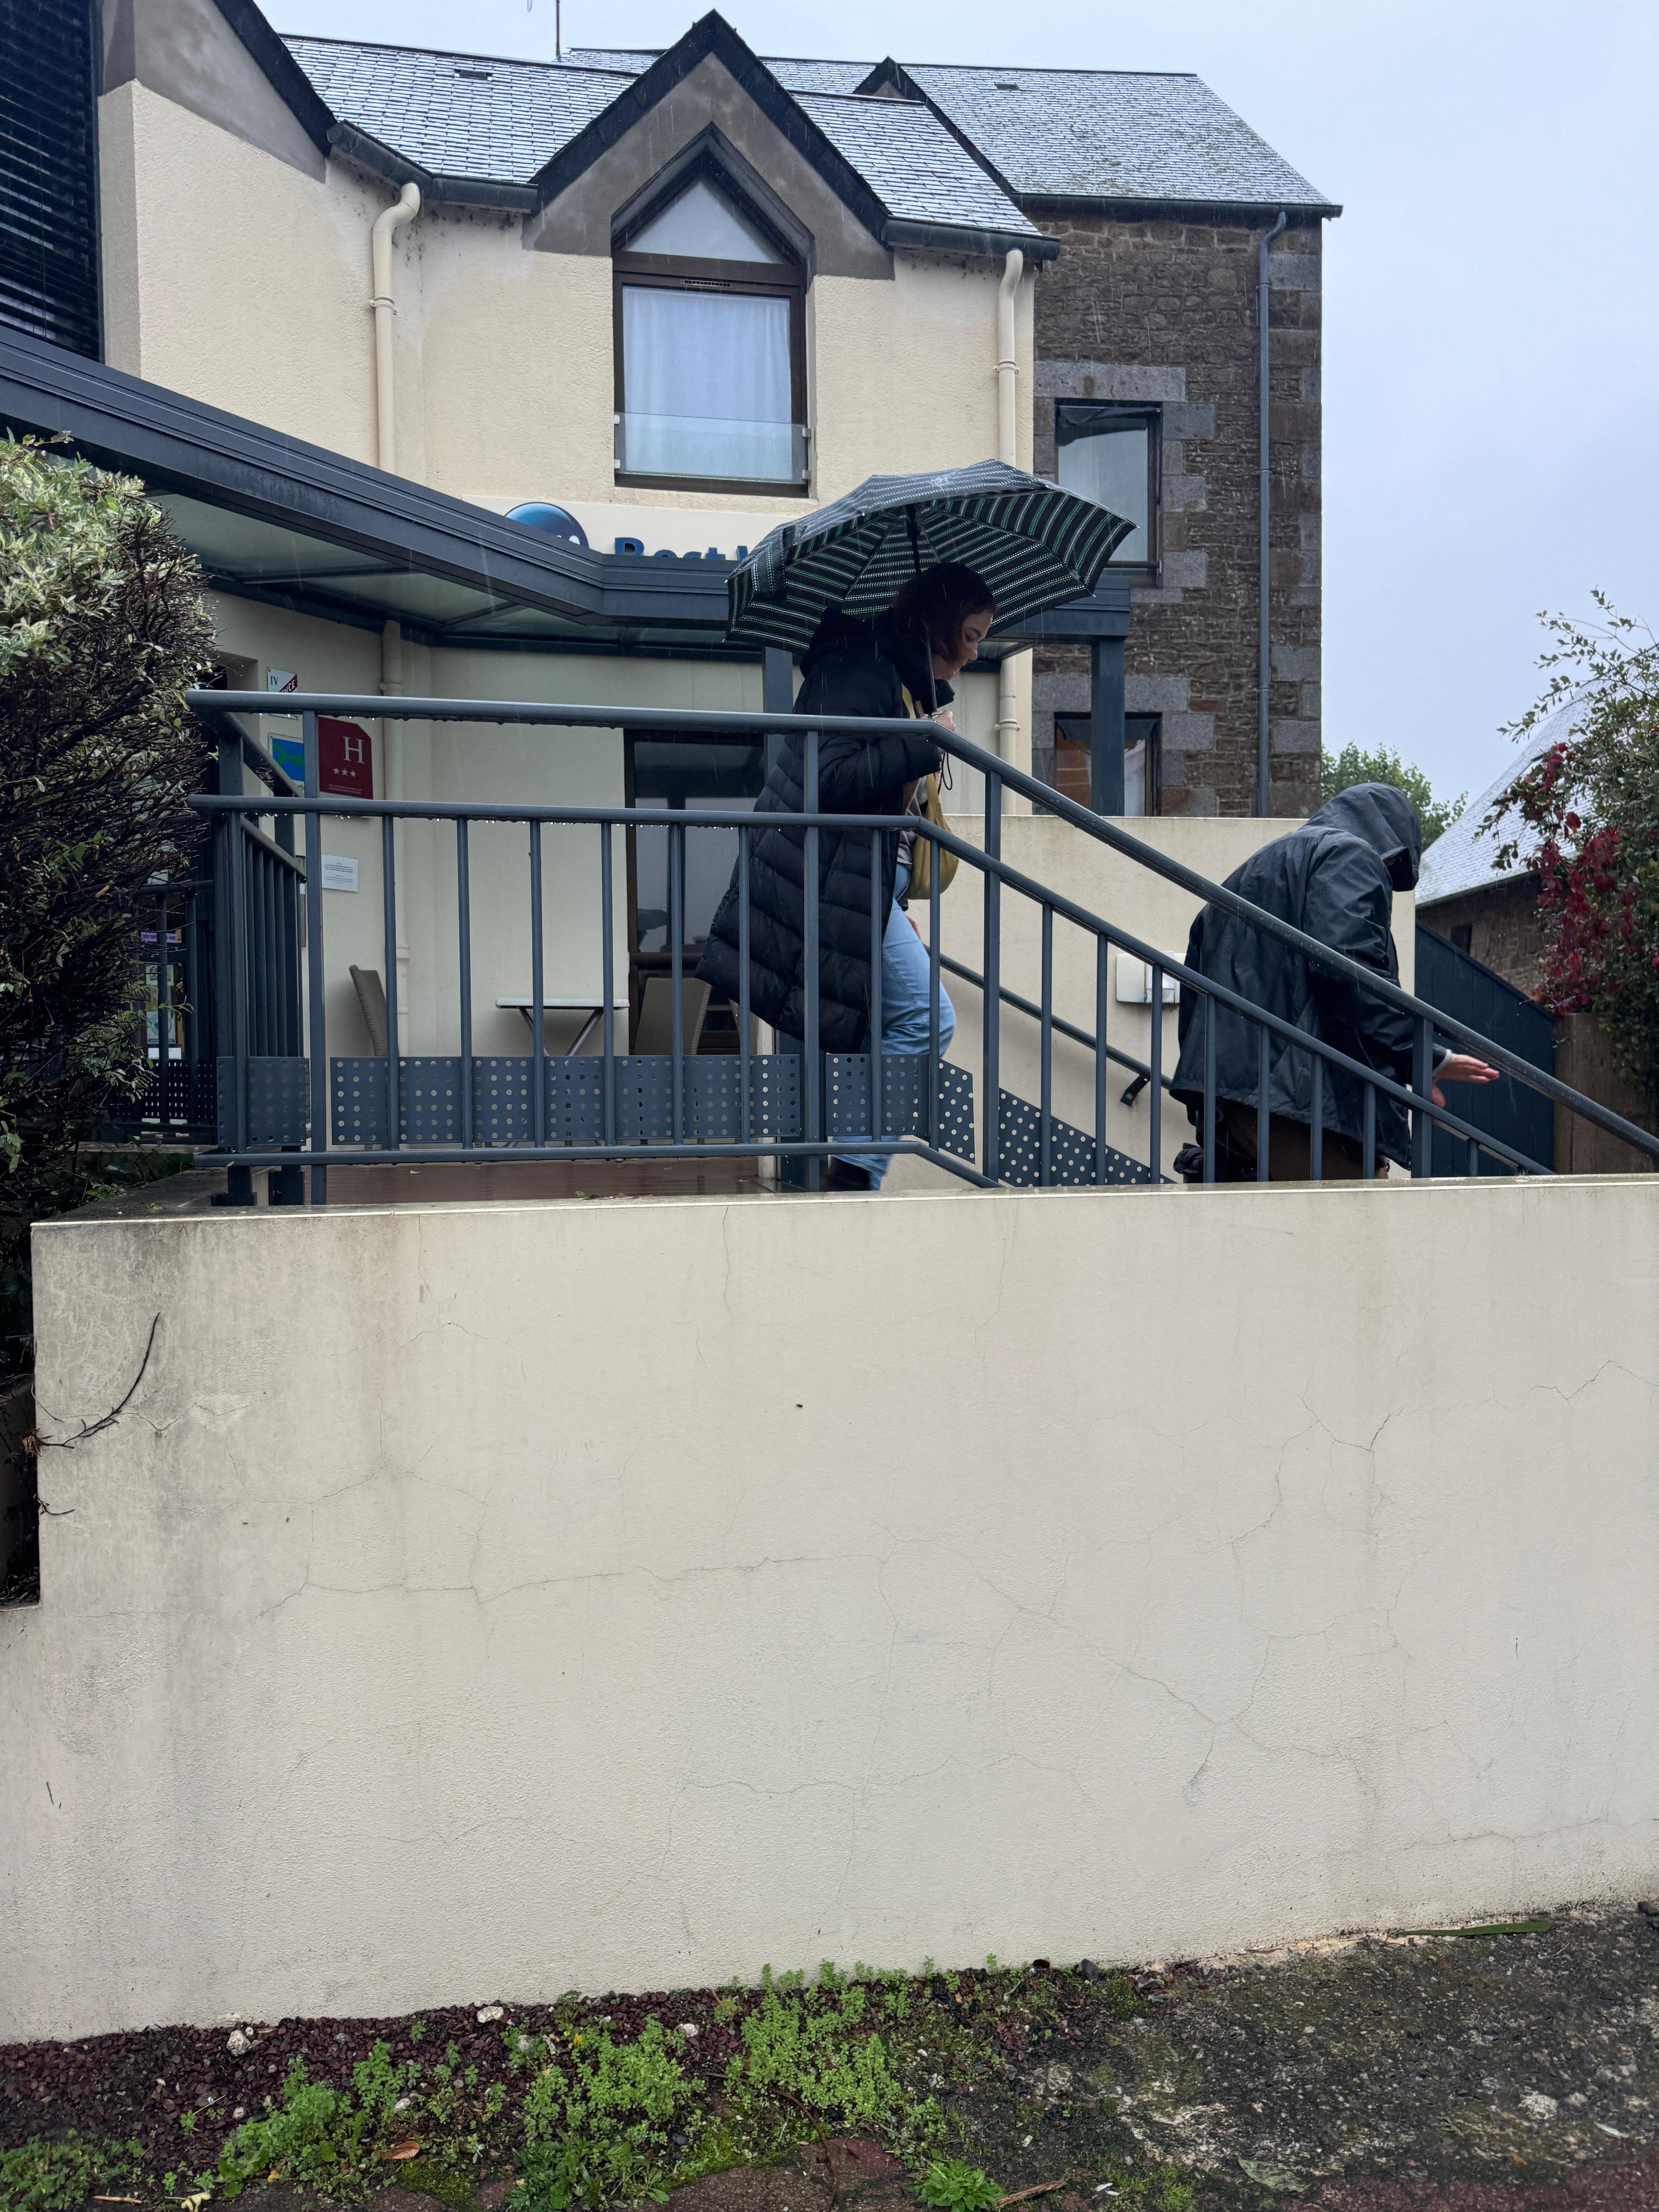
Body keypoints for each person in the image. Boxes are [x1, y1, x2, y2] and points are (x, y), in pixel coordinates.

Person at [698, 563, 996, 1190]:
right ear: (938, 627)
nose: (974, 653)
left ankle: (854, 1166)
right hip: (818, 877)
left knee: (899, 1019)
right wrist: (922, 743)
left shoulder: (894, 679)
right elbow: (825, 778)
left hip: (854, 885)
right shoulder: (861, 667)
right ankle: (852, 1175)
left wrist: (882, 903)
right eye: (969, 636)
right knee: (923, 1018)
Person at [1170, 782, 1498, 1179]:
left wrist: (1206, 1100)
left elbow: (1195, 993)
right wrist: (1420, 1056)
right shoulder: (1351, 855)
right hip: (1298, 1103)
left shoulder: (1254, 872)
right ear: (1391, 839)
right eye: (1393, 869)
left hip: (1235, 1102)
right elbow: (1348, 971)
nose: (1387, 879)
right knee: (1354, 1231)